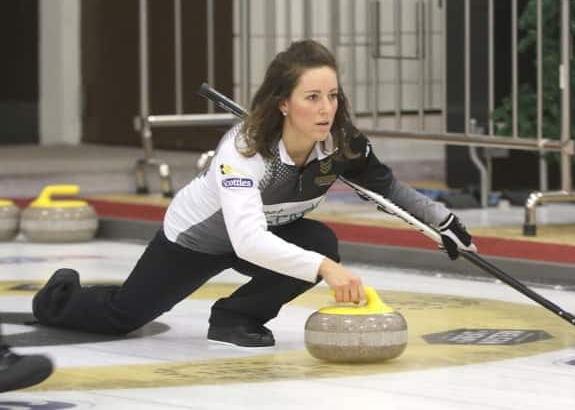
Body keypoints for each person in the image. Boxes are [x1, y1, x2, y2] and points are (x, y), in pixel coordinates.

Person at [32, 40, 476, 348]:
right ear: (284, 103)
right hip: (197, 240)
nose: (326, 109)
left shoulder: (342, 144)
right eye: (312, 97)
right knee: (122, 318)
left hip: (270, 231)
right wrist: (326, 270)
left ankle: (236, 317)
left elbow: (388, 190)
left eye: (333, 96)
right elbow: (246, 240)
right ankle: (58, 296)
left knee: (321, 241)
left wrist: (442, 224)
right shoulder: (244, 150)